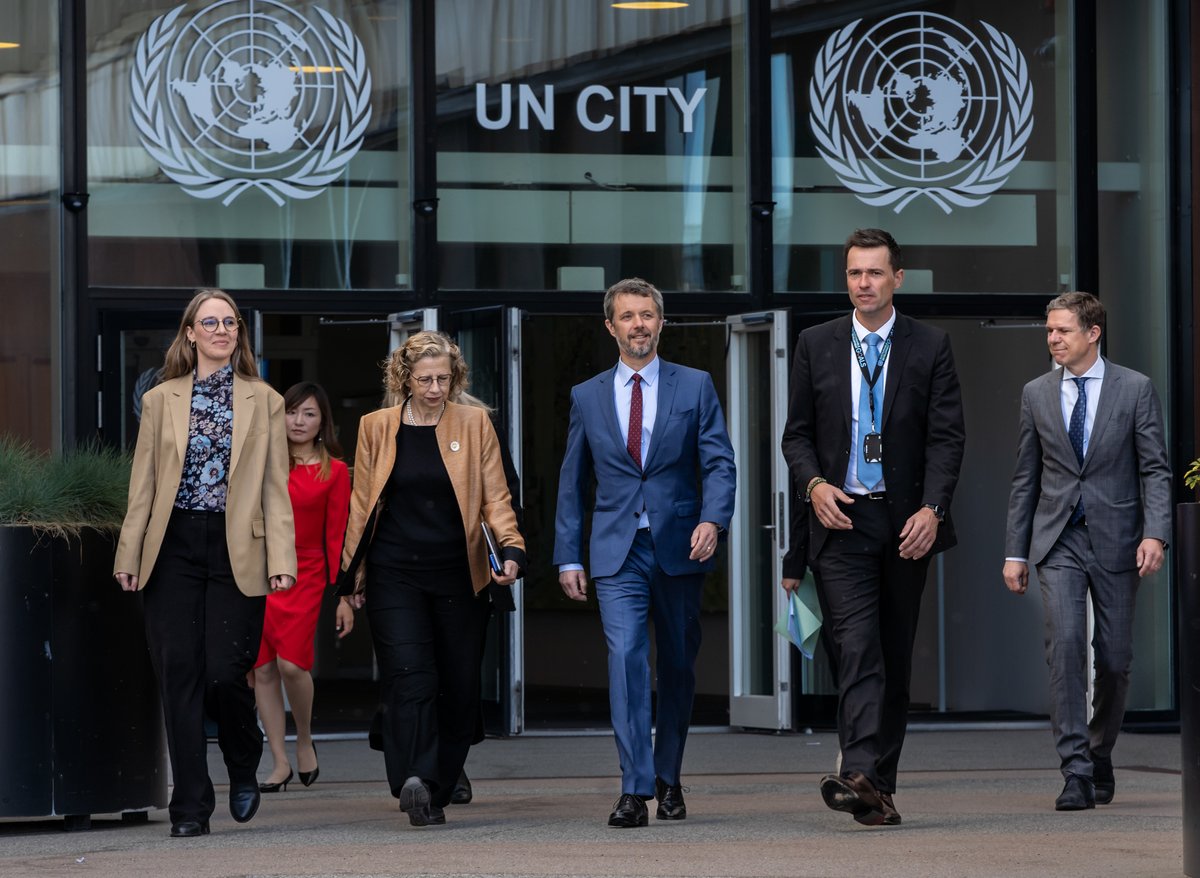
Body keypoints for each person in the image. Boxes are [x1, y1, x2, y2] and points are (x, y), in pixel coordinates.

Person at [781, 228, 965, 827]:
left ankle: (876, 788)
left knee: (893, 653)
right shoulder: (816, 342)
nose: (864, 283)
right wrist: (813, 486)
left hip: (906, 520)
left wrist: (932, 510)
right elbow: (797, 434)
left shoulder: (930, 345)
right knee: (855, 647)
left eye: (875, 273)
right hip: (841, 516)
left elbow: (946, 438)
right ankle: (858, 766)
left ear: (897, 278)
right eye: (855, 273)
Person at [553, 277, 736, 828]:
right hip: (617, 552)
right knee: (628, 659)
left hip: (679, 547)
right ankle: (634, 789)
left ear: (661, 323)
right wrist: (568, 556)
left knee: (677, 666)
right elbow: (571, 481)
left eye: (647, 315)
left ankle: (669, 776)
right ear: (611, 326)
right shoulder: (587, 395)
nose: (638, 325)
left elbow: (719, 462)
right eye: (627, 316)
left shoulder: (695, 385)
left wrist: (713, 518)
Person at [113, 288, 297, 838]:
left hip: (237, 547)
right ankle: (190, 807)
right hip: (172, 547)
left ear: (238, 334)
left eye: (230, 322)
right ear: (190, 333)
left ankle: (244, 758)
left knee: (223, 673)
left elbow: (274, 488)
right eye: (209, 321)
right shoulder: (160, 400)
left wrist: (281, 557)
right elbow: (141, 486)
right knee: (179, 676)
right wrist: (130, 553)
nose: (221, 330)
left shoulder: (264, 400)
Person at [339, 330, 525, 827]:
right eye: (425, 379)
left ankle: (440, 781)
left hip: (459, 576)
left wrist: (511, 548)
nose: (435, 387)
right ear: (405, 378)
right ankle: (416, 779)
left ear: (455, 376)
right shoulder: (376, 427)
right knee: (410, 676)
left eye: (444, 378)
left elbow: (496, 496)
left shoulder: (475, 423)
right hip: (393, 573)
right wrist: (351, 575)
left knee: (458, 685)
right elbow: (362, 504)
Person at [1002, 291, 1171, 811]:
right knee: (1067, 648)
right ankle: (1075, 770)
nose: (1052, 339)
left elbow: (1155, 468)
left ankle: (1100, 751)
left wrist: (1155, 532)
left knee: (1116, 661)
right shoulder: (1036, 392)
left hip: (1119, 538)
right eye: (1049, 331)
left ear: (1093, 333)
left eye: (1062, 331)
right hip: (1058, 541)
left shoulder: (1135, 389)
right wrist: (1015, 551)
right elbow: (1025, 477)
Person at [254, 382, 354, 793]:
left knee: (292, 664)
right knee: (261, 668)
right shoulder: (263, 463)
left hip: (306, 571)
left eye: (309, 414)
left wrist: (344, 595)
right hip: (258, 571)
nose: (298, 421)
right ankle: (277, 760)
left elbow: (338, 536)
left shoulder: (336, 471)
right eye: (292, 412)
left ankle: (306, 737)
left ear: (322, 422)